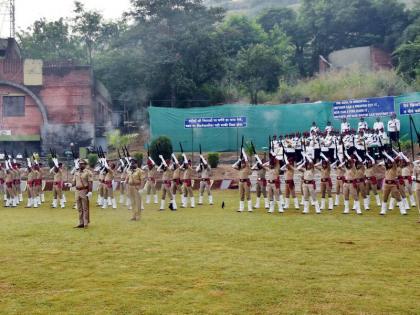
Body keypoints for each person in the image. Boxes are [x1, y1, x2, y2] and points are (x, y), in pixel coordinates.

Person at [72, 159, 93, 228]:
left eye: (82, 164)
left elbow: (90, 182)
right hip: (77, 191)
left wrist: (90, 191)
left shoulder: (88, 172)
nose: (80, 165)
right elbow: (74, 182)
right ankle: (81, 222)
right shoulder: (76, 172)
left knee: (85, 208)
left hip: (84, 191)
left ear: (85, 165)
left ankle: (86, 223)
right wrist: (70, 184)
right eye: (79, 164)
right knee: (79, 208)